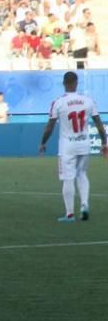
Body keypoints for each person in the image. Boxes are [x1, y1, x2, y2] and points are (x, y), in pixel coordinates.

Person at [39, 71, 108, 222]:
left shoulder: (58, 102)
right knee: (82, 174)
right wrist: (104, 142)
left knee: (67, 178)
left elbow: (49, 127)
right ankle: (84, 205)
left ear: (64, 84)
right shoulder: (88, 101)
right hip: (84, 144)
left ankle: (69, 214)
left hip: (67, 146)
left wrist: (43, 142)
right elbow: (99, 125)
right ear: (77, 83)